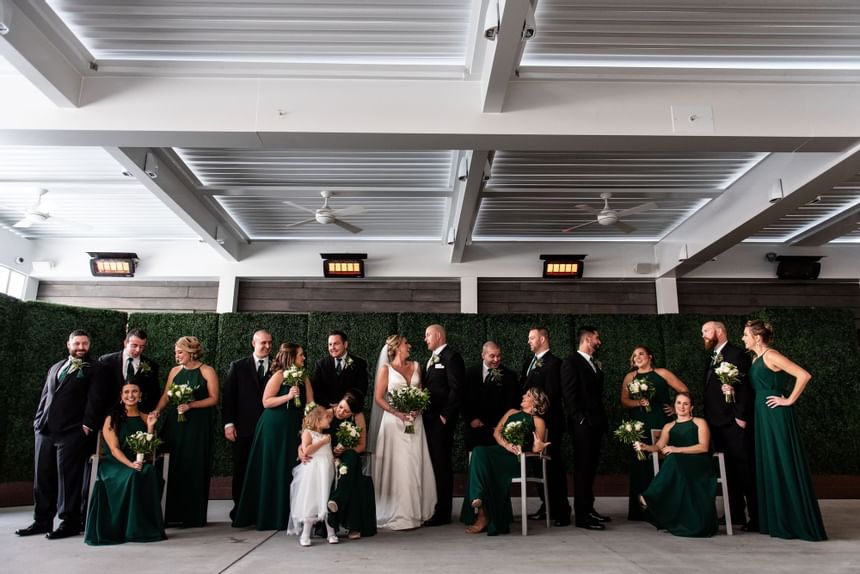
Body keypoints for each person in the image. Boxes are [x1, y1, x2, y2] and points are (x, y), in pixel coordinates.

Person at [742, 320, 827, 541]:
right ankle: (779, 519)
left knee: (783, 460)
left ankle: (796, 521)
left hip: (775, 415)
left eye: (745, 335)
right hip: (762, 415)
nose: (743, 338)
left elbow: (803, 375)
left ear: (757, 338)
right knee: (771, 462)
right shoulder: (755, 358)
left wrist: (788, 400)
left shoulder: (771, 355)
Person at [17, 329, 101, 540]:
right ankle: (42, 520)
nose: (81, 348)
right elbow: (46, 395)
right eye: (77, 343)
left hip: (73, 432)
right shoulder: (56, 367)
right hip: (45, 431)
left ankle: (69, 522)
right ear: (68, 344)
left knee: (69, 479)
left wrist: (88, 424)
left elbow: (96, 399)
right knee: (42, 478)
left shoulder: (95, 369)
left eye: (85, 344)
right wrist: (38, 421)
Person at [233, 342, 314, 530]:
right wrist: (288, 396)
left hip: (294, 427)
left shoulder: (305, 377)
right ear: (292, 357)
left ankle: (288, 514)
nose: (304, 358)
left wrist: (310, 424)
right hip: (273, 428)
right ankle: (268, 515)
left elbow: (310, 403)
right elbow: (266, 401)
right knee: (272, 467)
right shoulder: (278, 376)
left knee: (290, 467)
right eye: (301, 355)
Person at [84, 377, 166, 545]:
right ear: (121, 396)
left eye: (135, 391)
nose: (131, 395)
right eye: (127, 392)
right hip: (115, 464)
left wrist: (150, 427)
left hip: (138, 462)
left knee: (150, 472)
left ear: (140, 395)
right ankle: (128, 529)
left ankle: (144, 528)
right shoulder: (111, 418)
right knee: (133, 475)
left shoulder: (145, 417)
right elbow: (114, 449)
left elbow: (148, 450)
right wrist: (130, 464)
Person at [461, 388, 551, 536]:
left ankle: (481, 510)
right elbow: (497, 432)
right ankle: (479, 502)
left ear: (535, 402)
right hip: (502, 451)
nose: (523, 396)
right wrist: (507, 445)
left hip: (518, 459)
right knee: (478, 451)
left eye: (527, 395)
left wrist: (539, 446)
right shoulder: (511, 412)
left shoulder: (538, 421)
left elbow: (536, 447)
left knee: (482, 459)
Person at [370, 334, 437, 530]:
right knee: (398, 464)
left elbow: (422, 392)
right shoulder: (386, 369)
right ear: (398, 347)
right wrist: (397, 413)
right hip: (393, 423)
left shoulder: (417, 366)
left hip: (415, 422)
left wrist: (418, 408)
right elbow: (378, 397)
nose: (409, 346)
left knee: (414, 462)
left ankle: (416, 510)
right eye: (406, 343)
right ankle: (398, 510)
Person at [153, 336, 218, 528]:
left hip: (197, 426)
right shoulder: (174, 371)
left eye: (180, 352)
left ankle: (192, 515)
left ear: (191, 353)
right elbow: (166, 395)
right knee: (171, 463)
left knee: (193, 464)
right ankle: (169, 513)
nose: (177, 356)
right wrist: (157, 410)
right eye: (176, 352)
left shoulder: (207, 371)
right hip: (175, 423)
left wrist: (191, 405)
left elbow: (214, 398)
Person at [620, 345, 688, 520]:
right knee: (640, 462)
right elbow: (624, 400)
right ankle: (640, 510)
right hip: (638, 424)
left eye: (641, 353)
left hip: (660, 422)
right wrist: (638, 403)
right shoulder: (630, 377)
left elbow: (684, 390)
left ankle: (666, 508)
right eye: (634, 355)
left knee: (663, 461)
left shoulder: (662, 373)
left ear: (650, 356)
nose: (637, 357)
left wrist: (675, 407)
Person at [636, 392, 717, 537]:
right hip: (678, 466)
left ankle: (650, 496)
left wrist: (676, 449)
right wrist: (645, 447)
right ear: (674, 405)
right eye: (679, 403)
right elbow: (659, 446)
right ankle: (657, 501)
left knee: (673, 458)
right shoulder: (669, 426)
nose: (682, 406)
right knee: (673, 460)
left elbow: (703, 447)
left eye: (686, 403)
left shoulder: (699, 422)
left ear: (691, 407)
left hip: (699, 463)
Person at [701, 320, 756, 530]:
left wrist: (740, 416)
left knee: (744, 469)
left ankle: (757, 516)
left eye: (706, 331)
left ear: (720, 331)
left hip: (733, 422)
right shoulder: (713, 356)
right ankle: (736, 514)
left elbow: (745, 387)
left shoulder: (737, 354)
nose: (703, 335)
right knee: (728, 471)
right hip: (716, 422)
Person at [561, 325, 609, 530]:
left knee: (591, 467)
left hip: (596, 423)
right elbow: (569, 393)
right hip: (583, 425)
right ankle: (581, 515)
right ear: (588, 339)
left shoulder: (593, 364)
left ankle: (589, 508)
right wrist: (580, 419)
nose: (599, 342)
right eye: (597, 338)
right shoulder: (571, 362)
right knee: (582, 468)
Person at [222, 329, 273, 520]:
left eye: (270, 343)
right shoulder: (238, 366)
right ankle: (240, 510)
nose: (267, 346)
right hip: (243, 428)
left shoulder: (278, 366)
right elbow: (229, 397)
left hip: (268, 429)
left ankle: (262, 510)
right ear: (254, 343)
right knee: (241, 468)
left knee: (265, 469)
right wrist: (229, 424)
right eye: (263, 343)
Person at [521, 327, 569, 526]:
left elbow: (553, 394)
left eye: (531, 338)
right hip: (532, 425)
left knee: (553, 467)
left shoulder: (555, 363)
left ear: (542, 339)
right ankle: (546, 505)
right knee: (537, 467)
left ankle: (562, 511)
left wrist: (539, 417)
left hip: (550, 424)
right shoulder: (528, 362)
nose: (529, 341)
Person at [421, 324, 465, 526]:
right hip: (427, 420)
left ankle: (443, 513)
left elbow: (457, 389)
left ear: (438, 335)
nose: (425, 339)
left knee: (441, 465)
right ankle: (435, 507)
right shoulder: (431, 360)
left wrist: (445, 416)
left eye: (428, 335)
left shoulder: (452, 357)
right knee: (434, 464)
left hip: (440, 421)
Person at [324, 391, 377, 540]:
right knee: (352, 475)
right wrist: (332, 453)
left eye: (347, 411)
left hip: (348, 456)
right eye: (340, 407)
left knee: (352, 457)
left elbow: (361, 446)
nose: (341, 412)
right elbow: (311, 435)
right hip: (327, 455)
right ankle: (339, 511)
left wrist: (346, 449)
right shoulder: (327, 413)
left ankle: (335, 503)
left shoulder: (358, 417)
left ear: (353, 412)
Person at [288, 406, 338, 547]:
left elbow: (328, 454)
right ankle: (305, 534)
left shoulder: (326, 436)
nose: (329, 420)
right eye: (326, 418)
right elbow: (307, 449)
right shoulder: (308, 433)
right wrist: (322, 442)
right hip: (313, 472)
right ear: (317, 420)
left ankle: (331, 533)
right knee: (312, 499)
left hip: (326, 471)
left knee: (326, 498)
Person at [462, 341, 520, 451]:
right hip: (474, 428)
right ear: (483, 355)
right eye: (492, 356)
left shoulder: (509, 376)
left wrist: (500, 425)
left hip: (495, 429)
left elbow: (511, 403)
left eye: (498, 355)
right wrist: (471, 419)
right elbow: (463, 399)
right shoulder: (469, 373)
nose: (496, 359)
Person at [97, 329, 161, 418]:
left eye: (142, 347)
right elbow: (98, 391)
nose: (138, 350)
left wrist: (145, 414)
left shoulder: (151, 366)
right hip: (109, 415)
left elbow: (154, 394)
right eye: (134, 346)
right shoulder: (106, 361)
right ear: (125, 343)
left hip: (137, 416)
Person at [311, 330, 369, 408]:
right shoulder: (321, 364)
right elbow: (316, 390)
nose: (332, 348)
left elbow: (361, 389)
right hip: (326, 412)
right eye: (330, 344)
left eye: (336, 344)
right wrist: (329, 404)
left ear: (345, 344)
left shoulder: (359, 364)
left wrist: (344, 405)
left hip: (349, 411)